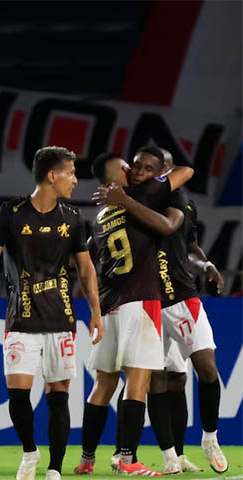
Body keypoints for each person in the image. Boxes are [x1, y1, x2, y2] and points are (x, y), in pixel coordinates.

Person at [0, 146, 103, 480]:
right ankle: (30, 452)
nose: (75, 180)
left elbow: (86, 268)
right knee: (17, 394)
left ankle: (54, 468)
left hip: (61, 320)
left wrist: (96, 311)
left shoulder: (72, 217)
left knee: (59, 397)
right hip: (21, 320)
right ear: (51, 175)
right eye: (71, 173)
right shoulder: (10, 213)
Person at [74, 148, 193, 476]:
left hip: (109, 306)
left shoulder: (100, 216)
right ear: (117, 176)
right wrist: (150, 185)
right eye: (128, 167)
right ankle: (127, 459)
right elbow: (186, 171)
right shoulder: (141, 194)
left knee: (103, 386)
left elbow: (85, 260)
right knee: (138, 382)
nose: (134, 170)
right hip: (141, 302)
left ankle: (86, 459)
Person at [125, 148, 228, 474]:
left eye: (149, 168)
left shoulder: (179, 199)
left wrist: (206, 264)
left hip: (181, 296)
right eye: (137, 166)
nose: (140, 172)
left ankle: (209, 438)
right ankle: (170, 456)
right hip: (148, 301)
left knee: (205, 367)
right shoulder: (127, 200)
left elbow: (188, 244)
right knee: (159, 379)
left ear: (164, 173)